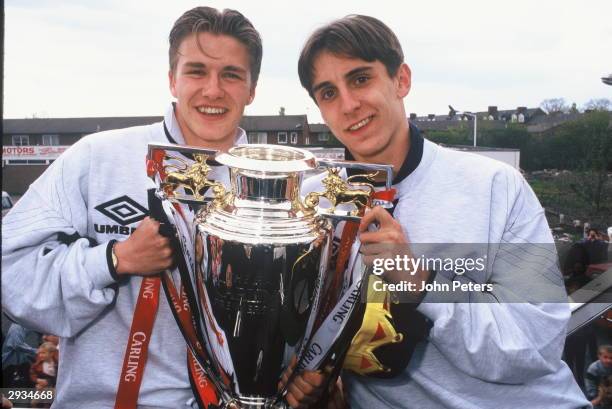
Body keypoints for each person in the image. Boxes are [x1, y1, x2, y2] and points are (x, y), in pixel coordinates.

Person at [297, 14, 589, 408]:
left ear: (401, 80)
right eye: (328, 93)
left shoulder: (495, 186)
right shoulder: (312, 202)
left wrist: (423, 284)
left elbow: (539, 342)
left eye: (361, 79)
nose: (348, 105)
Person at [2, 7, 261, 408]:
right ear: (172, 80)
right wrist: (113, 260)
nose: (213, 90)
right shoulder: (97, 158)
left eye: (231, 74)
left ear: (252, 88)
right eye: (196, 71)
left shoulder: (276, 185)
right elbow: (10, 272)